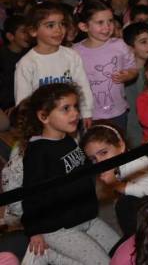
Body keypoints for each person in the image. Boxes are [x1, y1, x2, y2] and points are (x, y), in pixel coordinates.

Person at [19, 83, 120, 264]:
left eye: (75, 106)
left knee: (123, 251)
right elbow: (30, 195)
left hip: (86, 217)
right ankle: (50, 255)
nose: (75, 113)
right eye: (66, 109)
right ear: (43, 116)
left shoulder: (69, 139)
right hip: (59, 229)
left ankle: (55, 255)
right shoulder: (38, 152)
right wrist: (34, 231)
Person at [14, 3, 94, 127]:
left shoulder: (71, 56)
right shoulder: (27, 63)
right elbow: (23, 101)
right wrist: (30, 123)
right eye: (50, 25)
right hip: (43, 123)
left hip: (70, 118)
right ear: (33, 31)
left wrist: (86, 112)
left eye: (62, 24)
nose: (59, 30)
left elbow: (83, 86)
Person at [81, 123, 148, 238]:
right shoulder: (120, 166)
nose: (99, 162)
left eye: (104, 153)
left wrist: (116, 185)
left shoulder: (135, 163)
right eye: (93, 159)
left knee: (123, 205)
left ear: (121, 146)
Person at [74, 0, 139, 129]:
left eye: (110, 21)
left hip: (117, 112)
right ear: (84, 26)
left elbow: (133, 68)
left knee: (118, 140)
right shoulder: (75, 52)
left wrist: (128, 75)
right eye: (100, 22)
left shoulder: (119, 45)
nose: (107, 27)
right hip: (89, 115)